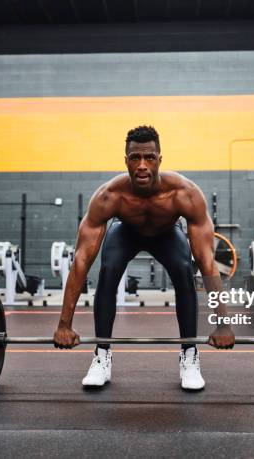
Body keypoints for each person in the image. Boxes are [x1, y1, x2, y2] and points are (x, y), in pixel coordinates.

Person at [53, 125, 234, 390]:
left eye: (149, 157)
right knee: (108, 268)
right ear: (125, 160)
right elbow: (81, 261)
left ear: (160, 159)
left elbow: (207, 262)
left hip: (167, 234)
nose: (142, 165)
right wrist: (63, 324)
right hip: (125, 232)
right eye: (135, 157)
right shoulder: (109, 196)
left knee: (185, 270)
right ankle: (102, 354)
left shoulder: (185, 194)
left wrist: (223, 324)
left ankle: (190, 354)